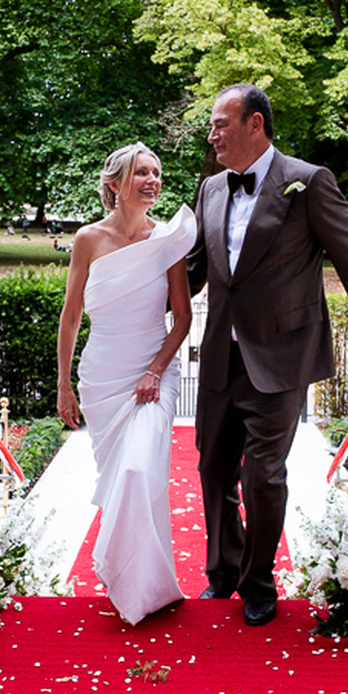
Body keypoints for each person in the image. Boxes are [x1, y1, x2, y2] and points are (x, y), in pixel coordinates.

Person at [188, 84, 348, 626]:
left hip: (280, 354)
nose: (212, 136)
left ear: (255, 124)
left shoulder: (308, 181)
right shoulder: (210, 189)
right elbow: (191, 269)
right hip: (219, 356)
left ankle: (259, 583)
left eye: (220, 125)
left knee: (263, 475)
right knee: (213, 469)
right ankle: (222, 575)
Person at [57, 143, 197, 624]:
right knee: (121, 476)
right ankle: (146, 585)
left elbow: (182, 318)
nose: (152, 180)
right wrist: (63, 384)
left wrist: (155, 369)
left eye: (156, 173)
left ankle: (133, 579)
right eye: (141, 172)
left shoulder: (169, 239)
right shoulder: (88, 240)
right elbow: (72, 315)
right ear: (115, 183)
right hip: (102, 376)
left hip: (153, 372)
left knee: (140, 471)